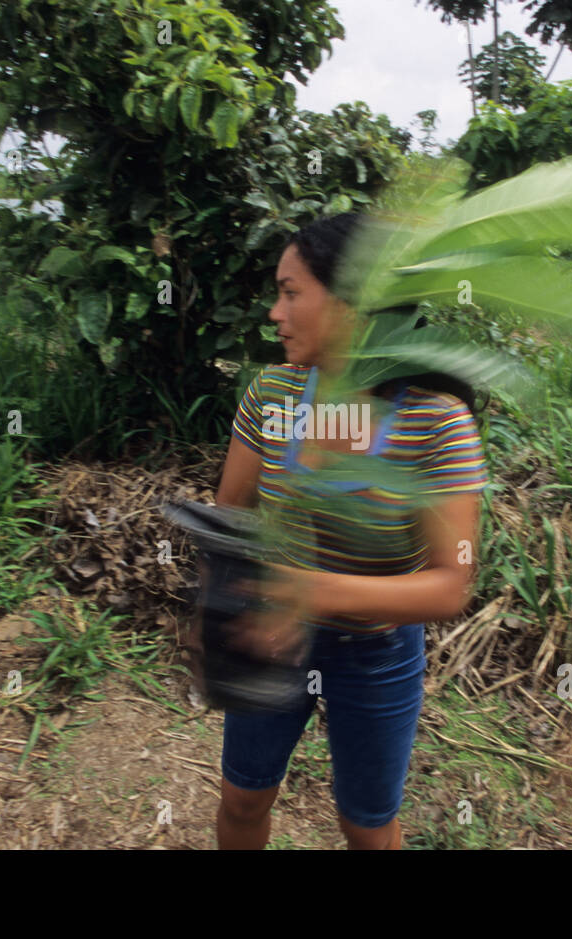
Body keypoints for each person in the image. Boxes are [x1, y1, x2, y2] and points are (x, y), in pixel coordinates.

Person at [213, 214, 489, 850]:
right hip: (272, 640)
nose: (274, 313)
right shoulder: (273, 396)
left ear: (352, 303)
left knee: (367, 828)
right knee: (242, 798)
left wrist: (303, 591)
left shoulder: (435, 421)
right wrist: (229, 601)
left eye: (290, 292)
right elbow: (232, 512)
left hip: (377, 656)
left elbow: (450, 587)